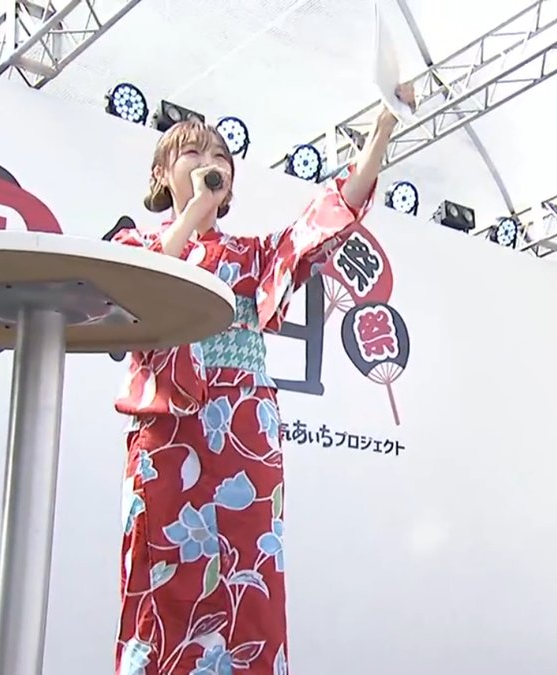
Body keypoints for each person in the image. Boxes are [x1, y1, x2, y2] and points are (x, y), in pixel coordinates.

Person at [111, 85, 415, 675]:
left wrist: (382, 128)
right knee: (160, 573)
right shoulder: (135, 245)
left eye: (221, 157)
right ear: (161, 174)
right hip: (168, 435)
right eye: (193, 154)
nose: (210, 163)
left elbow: (326, 218)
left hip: (243, 436)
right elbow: (139, 288)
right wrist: (194, 215)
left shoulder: (253, 256)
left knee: (248, 580)